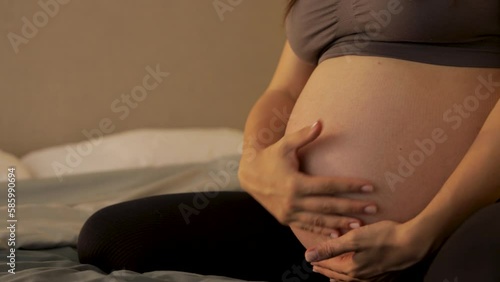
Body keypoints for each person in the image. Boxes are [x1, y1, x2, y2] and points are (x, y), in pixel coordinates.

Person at [78, 1, 500, 281]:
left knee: (478, 259)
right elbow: (282, 92)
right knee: (112, 238)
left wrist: (422, 232)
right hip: (314, 233)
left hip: (456, 220)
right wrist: (256, 168)